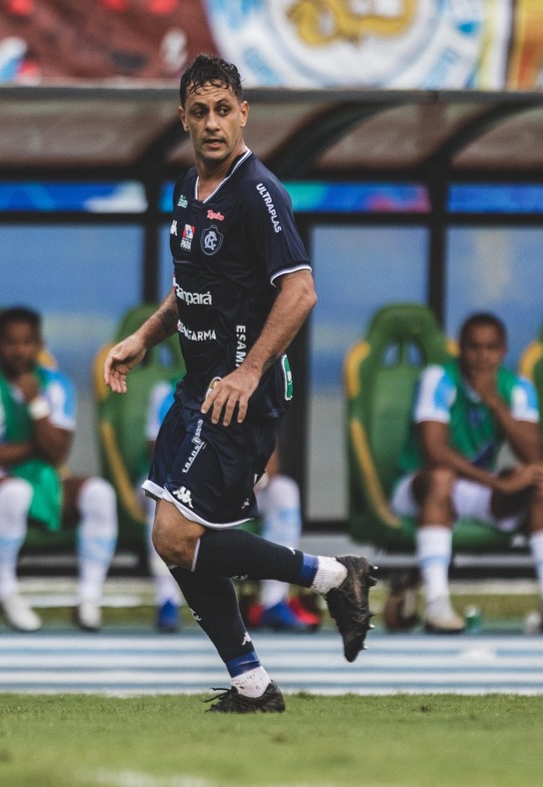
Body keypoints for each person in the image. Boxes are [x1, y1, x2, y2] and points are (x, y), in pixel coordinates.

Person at [103, 54, 375, 714]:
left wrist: (249, 371)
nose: (212, 123)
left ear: (244, 113)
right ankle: (252, 681)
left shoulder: (259, 192)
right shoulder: (183, 191)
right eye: (200, 112)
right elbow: (192, 288)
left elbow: (301, 290)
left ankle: (334, 576)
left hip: (237, 395)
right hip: (197, 388)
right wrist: (145, 335)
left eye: (224, 110)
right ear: (183, 119)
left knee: (176, 536)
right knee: (178, 544)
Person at [390, 312, 543, 634]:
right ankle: (437, 602)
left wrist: (495, 402)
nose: (483, 356)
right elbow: (434, 452)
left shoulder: (517, 387)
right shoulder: (438, 378)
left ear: (504, 350)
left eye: (491, 348)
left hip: (472, 488)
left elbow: (535, 454)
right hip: (419, 487)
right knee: (441, 477)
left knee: (539, 479)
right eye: (474, 347)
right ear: (461, 349)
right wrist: (498, 483)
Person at [0, 306, 118, 632]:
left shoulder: (58, 386)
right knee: (15, 492)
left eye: (27, 342)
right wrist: (37, 445)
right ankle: (6, 592)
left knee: (100, 494)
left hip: (46, 478)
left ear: (39, 344)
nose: (19, 351)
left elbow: (58, 453)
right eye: (10, 342)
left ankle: (89, 599)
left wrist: (36, 404)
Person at [143, 378, 319, 633]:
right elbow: (159, 454)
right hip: (183, 485)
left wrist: (245, 481)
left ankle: (274, 601)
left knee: (284, 491)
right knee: (159, 498)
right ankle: (167, 601)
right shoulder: (168, 391)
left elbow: (271, 460)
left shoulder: (254, 388)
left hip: (238, 486)